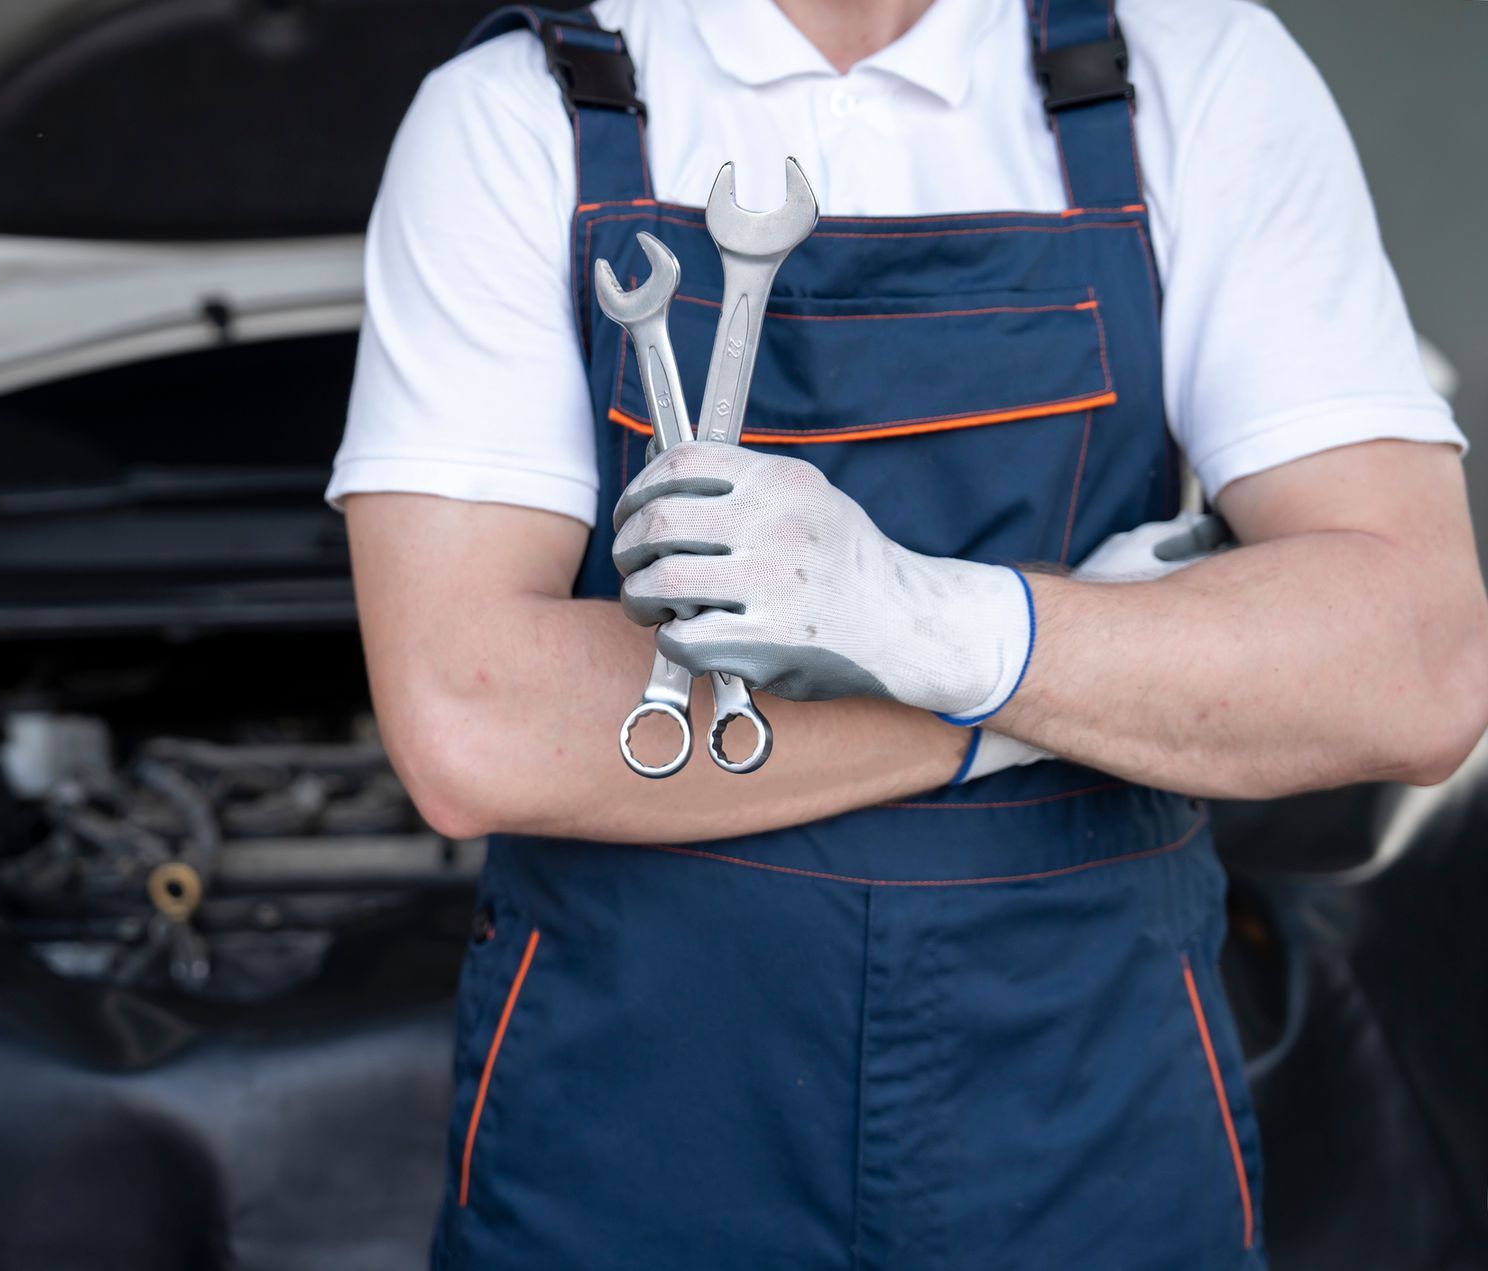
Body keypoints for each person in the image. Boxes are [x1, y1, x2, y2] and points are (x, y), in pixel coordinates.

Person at [328, 0, 1488, 1265]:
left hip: (1092, 1119)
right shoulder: (517, 111)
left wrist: (923, 617)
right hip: (635, 1122)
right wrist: (1024, 683)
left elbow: (1418, 663)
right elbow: (477, 723)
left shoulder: (1194, 70)